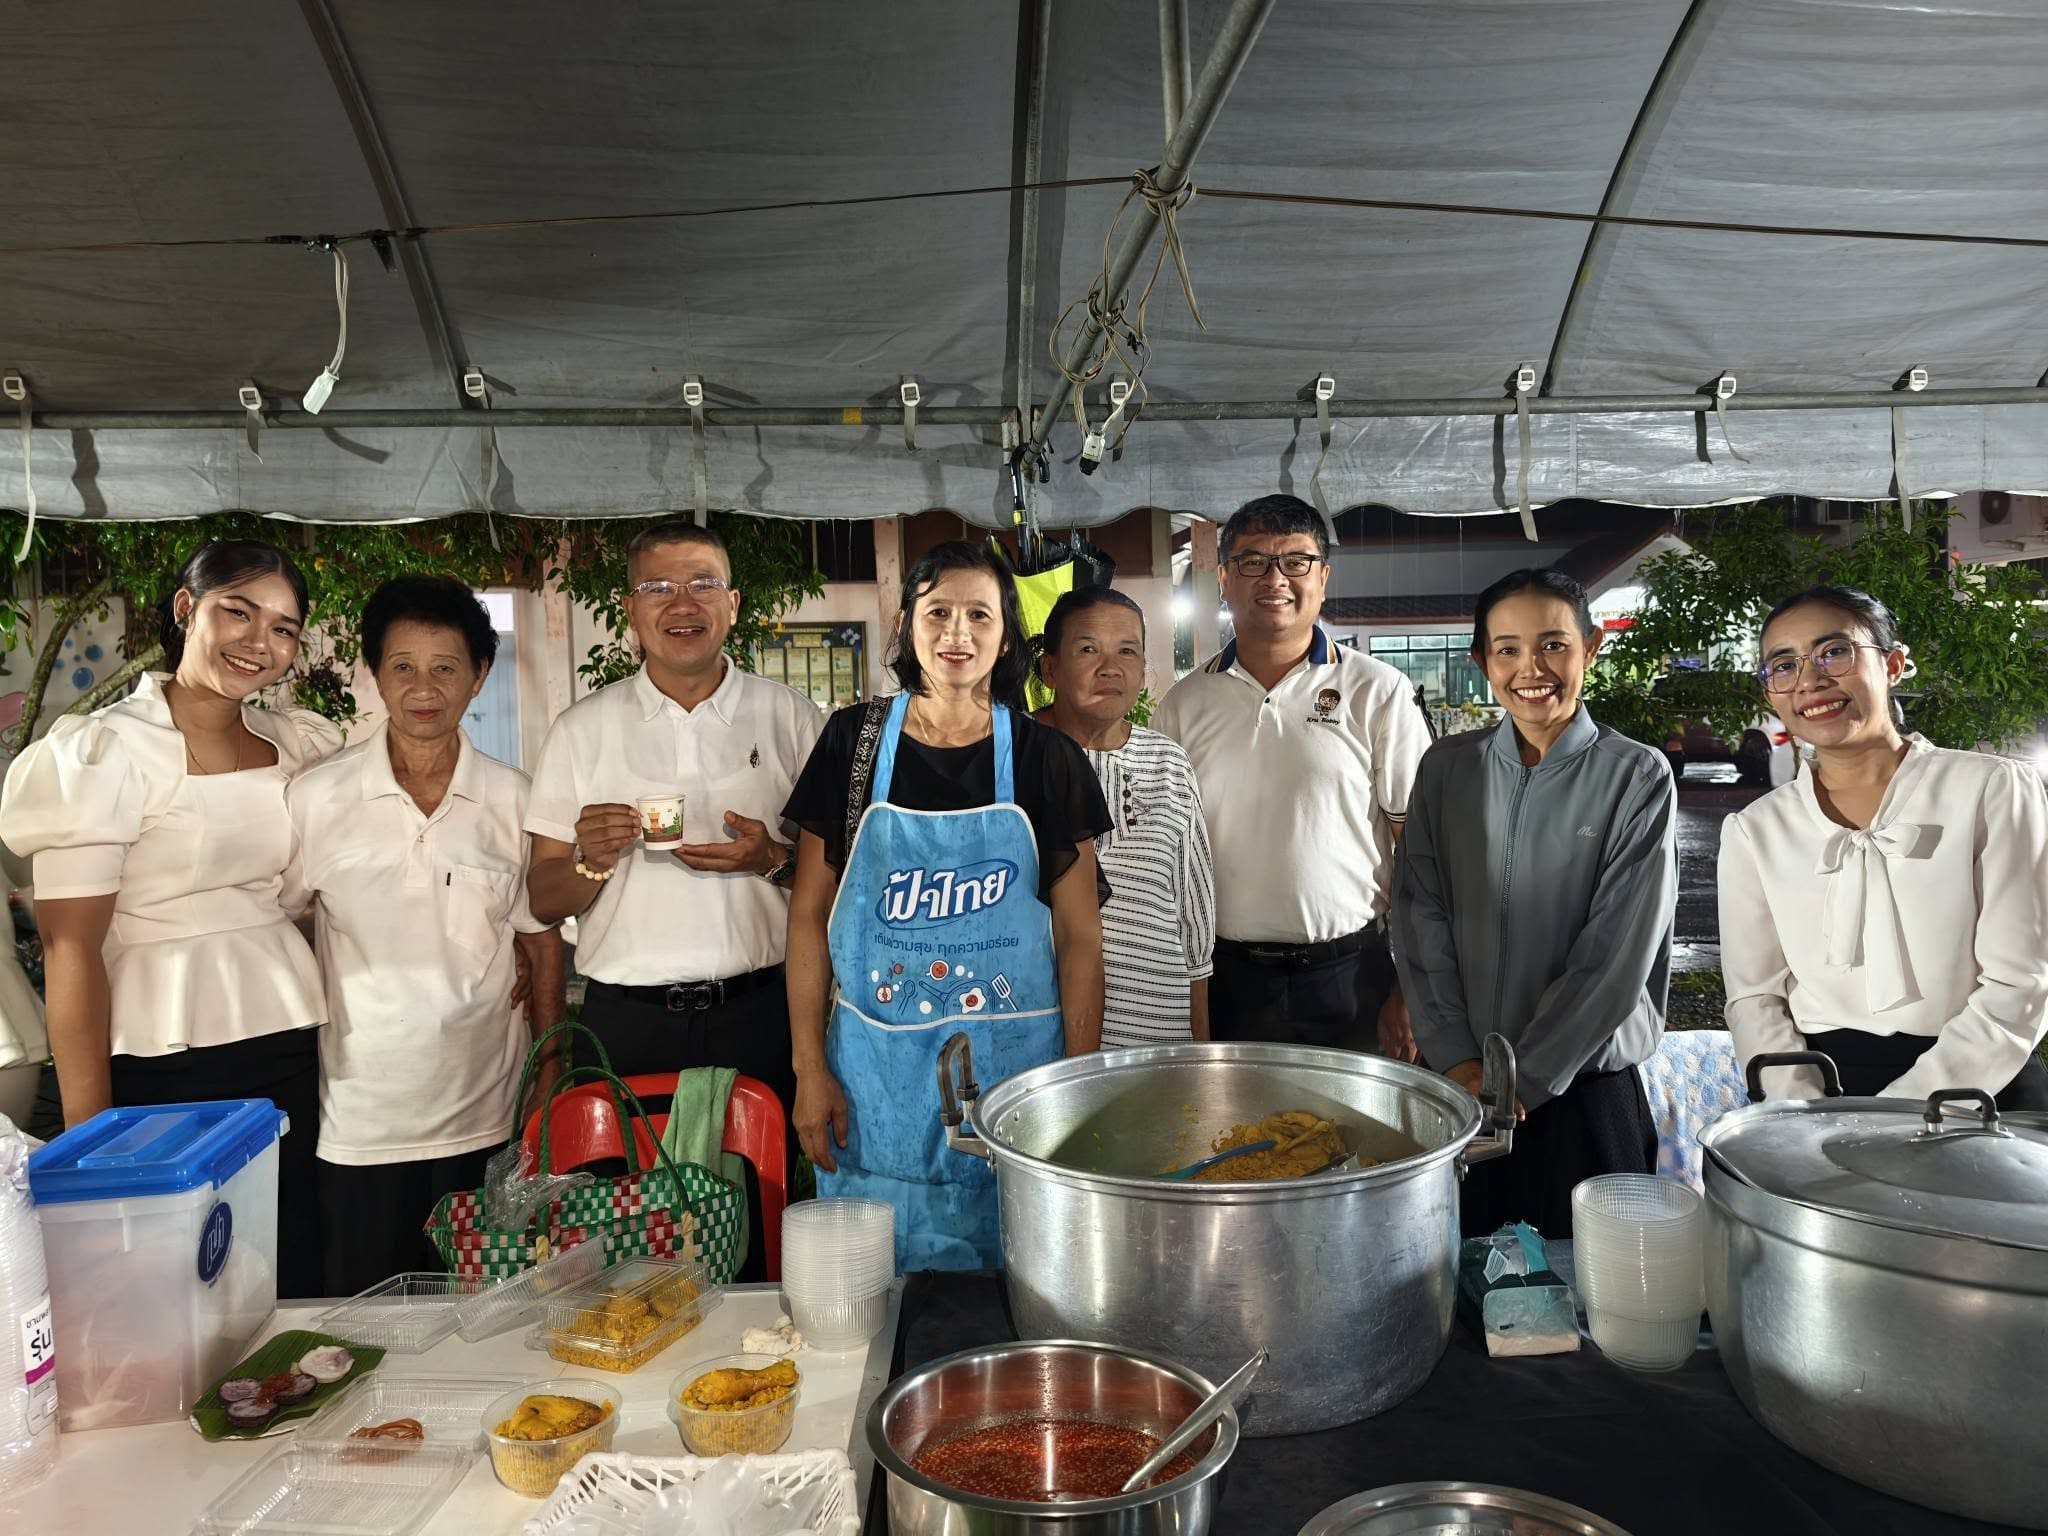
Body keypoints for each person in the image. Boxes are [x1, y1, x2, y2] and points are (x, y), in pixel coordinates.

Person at [0, 539, 341, 1295]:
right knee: (173, 1281)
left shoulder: (297, 745)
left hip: (288, 1039)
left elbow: (315, 898)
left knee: (286, 1261)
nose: (259, 641)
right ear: (187, 608)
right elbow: (68, 949)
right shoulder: (103, 752)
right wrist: (89, 1146)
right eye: (238, 612)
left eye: (283, 628)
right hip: (157, 1050)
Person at [784, 539, 1110, 1270]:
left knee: (1017, 1284)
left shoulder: (1047, 760)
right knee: (873, 1292)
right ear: (907, 624)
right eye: (937, 612)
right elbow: (807, 916)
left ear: (1007, 636)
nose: (956, 633)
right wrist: (809, 1070)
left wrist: (1075, 1086)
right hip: (871, 1087)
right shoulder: (852, 744)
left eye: (979, 615)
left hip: (1018, 1084)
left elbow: (1081, 938)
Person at [283, 577, 567, 1295]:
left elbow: (540, 943)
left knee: (491, 1317)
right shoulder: (316, 798)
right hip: (359, 1121)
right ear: (376, 674)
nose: (424, 688)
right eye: (403, 665)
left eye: (446, 667)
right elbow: (279, 920)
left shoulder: (515, 798)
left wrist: (550, 1072)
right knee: (368, 1319)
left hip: (489, 1115)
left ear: (479, 675)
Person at [1391, 569, 1676, 1237]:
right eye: (1508, 649)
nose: (1531, 669)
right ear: (1482, 661)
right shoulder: (1447, 769)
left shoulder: (1635, 775)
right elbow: (1419, 915)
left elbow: (1616, 954)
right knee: (1455, 1281)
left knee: (1595, 1286)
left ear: (1591, 649)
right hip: (1462, 1090)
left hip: (1583, 1093)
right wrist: (1456, 1057)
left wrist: (1524, 1077)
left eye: (1553, 645)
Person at [524, 521, 822, 1119]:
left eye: (703, 585)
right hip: (626, 1024)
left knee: (761, 1177)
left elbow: (842, 879)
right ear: (629, 610)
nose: (682, 604)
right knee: (629, 1180)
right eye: (657, 588)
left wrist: (772, 861)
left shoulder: (791, 719)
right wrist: (591, 862)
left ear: (733, 605)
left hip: (761, 1014)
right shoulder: (581, 730)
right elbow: (542, 899)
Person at [1719, 585, 2048, 1108]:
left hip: (1983, 1084)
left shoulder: (1991, 789)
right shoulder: (1755, 828)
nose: (1810, 680)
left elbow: (2022, 981)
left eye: (1834, 652)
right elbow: (1755, 995)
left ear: (1893, 664)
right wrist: (1799, 1109)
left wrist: (1904, 1112)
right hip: (1817, 1089)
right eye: (1783, 665)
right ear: (1770, 693)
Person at [1152, 494, 1429, 1052]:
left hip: (1353, 978)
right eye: (1253, 561)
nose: (1275, 578)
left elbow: (1421, 852)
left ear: (1322, 578)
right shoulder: (1184, 705)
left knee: (1353, 1113)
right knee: (1228, 1112)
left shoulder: (1378, 691)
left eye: (1296, 561)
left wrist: (1412, 985)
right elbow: (1167, 854)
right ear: (1224, 578)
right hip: (1224, 979)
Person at [1034, 586, 1216, 1049]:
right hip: (1042, 1045)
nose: (1110, 667)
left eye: (1128, 651)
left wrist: (1199, 1048)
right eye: (1088, 649)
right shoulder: (1014, 755)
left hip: (1158, 1039)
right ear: (1050, 668)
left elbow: (1194, 912)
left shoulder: (1169, 761)